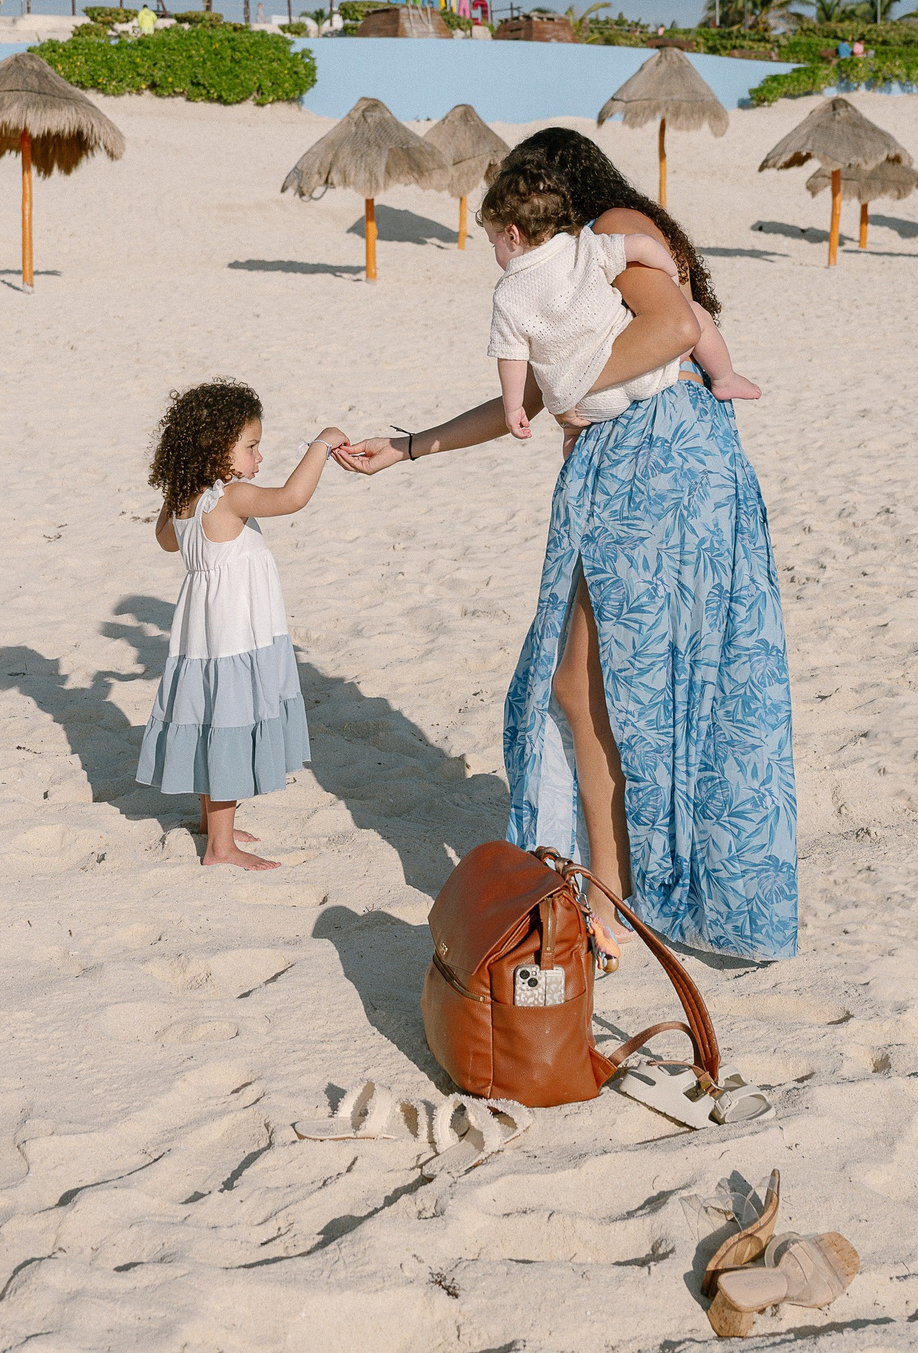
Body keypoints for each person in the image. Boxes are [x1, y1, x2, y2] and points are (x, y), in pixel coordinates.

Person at [335, 127, 797, 966]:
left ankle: (617, 897)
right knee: (603, 687)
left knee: (601, 684)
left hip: (667, 463)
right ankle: (617, 890)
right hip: (632, 465)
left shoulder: (607, 229)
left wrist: (576, 387)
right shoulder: (565, 271)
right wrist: (408, 446)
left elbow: (669, 331)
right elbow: (544, 387)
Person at [138, 380, 346, 870]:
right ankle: (221, 848)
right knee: (228, 721)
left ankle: (213, 824)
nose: (258, 457)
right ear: (216, 451)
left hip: (201, 632)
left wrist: (175, 491)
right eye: (251, 446)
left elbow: (167, 541)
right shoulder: (229, 497)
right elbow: (293, 498)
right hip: (233, 632)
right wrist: (322, 442)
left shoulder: (188, 498)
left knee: (209, 715)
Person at [481, 156, 682, 441]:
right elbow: (639, 245)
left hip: (583, 401)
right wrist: (670, 272)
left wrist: (513, 408)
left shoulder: (506, 294)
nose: (494, 252)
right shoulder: (582, 246)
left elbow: (511, 356)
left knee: (573, 436)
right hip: (641, 369)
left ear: (512, 235)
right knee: (696, 314)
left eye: (493, 242)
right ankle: (724, 377)